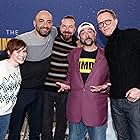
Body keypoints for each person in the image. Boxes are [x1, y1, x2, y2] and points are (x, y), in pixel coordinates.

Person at [8, 10, 58, 140]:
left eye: (48, 22)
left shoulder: (54, 33)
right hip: (21, 92)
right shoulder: (22, 39)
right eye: (41, 21)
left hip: (41, 92)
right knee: (15, 129)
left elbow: (69, 34)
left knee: (36, 130)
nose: (45, 25)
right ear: (34, 23)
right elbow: (5, 55)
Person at [56, 22, 111, 140]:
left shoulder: (107, 55)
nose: (87, 35)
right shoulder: (72, 54)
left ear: (95, 34)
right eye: (83, 33)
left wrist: (106, 86)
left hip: (96, 110)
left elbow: (111, 79)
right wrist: (66, 84)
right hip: (75, 111)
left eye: (89, 31)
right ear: (79, 37)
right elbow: (70, 76)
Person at [96, 9, 140, 140]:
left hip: (135, 101)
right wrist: (108, 85)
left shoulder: (132, 35)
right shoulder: (108, 47)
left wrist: (139, 87)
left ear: (116, 21)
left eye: (107, 21)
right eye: (100, 24)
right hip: (115, 102)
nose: (104, 26)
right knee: (122, 137)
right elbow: (117, 72)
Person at [41, 15, 77, 140]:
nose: (67, 29)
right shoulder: (52, 39)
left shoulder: (77, 45)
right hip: (47, 89)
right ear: (59, 27)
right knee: (46, 123)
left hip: (65, 91)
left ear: (75, 29)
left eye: (70, 27)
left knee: (62, 123)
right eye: (64, 26)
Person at [0, 39, 27, 140]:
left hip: (6, 113)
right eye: (18, 51)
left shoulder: (18, 68)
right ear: (9, 52)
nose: (22, 55)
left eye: (24, 51)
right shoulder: (1, 67)